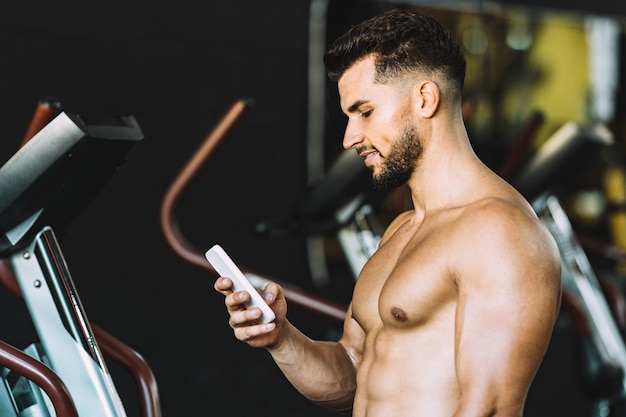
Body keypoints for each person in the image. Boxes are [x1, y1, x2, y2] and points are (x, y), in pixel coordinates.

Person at [215, 8, 561, 417]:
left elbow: (490, 409)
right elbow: (353, 374)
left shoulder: (499, 232)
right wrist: (281, 338)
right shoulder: (401, 229)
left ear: (425, 99)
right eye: (348, 116)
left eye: (365, 112)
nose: (349, 137)